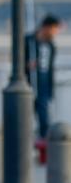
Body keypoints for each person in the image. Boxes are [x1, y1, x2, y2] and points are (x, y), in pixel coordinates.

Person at [26, 14, 63, 144]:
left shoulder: (51, 46)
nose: (56, 32)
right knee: (25, 117)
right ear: (47, 27)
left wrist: (51, 90)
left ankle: (43, 145)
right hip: (28, 86)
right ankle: (25, 143)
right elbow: (17, 61)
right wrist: (27, 65)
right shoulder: (28, 41)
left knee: (44, 118)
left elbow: (50, 69)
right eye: (55, 29)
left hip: (44, 87)